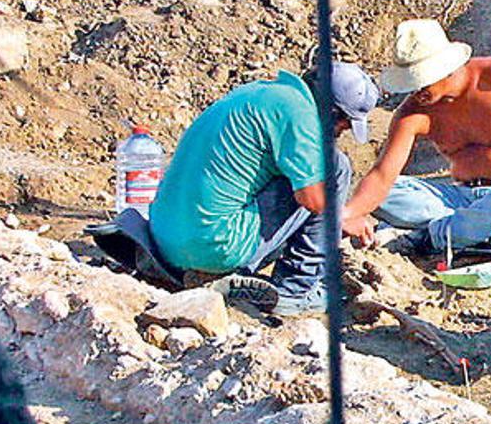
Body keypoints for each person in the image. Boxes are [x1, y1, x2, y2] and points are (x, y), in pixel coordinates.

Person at [149, 62, 380, 315]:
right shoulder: (302, 117)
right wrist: (343, 218)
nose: (341, 133)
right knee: (335, 167)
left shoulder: (262, 93)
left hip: (164, 240)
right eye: (344, 125)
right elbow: (313, 200)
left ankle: (204, 272)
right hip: (213, 246)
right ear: (332, 112)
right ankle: (296, 289)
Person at [341, 19, 491, 253]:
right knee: (385, 194)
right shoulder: (413, 112)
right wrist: (345, 216)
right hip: (459, 199)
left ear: (445, 69)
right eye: (411, 84)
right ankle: (474, 232)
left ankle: (426, 239)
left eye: (421, 82)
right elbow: (382, 176)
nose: (416, 92)